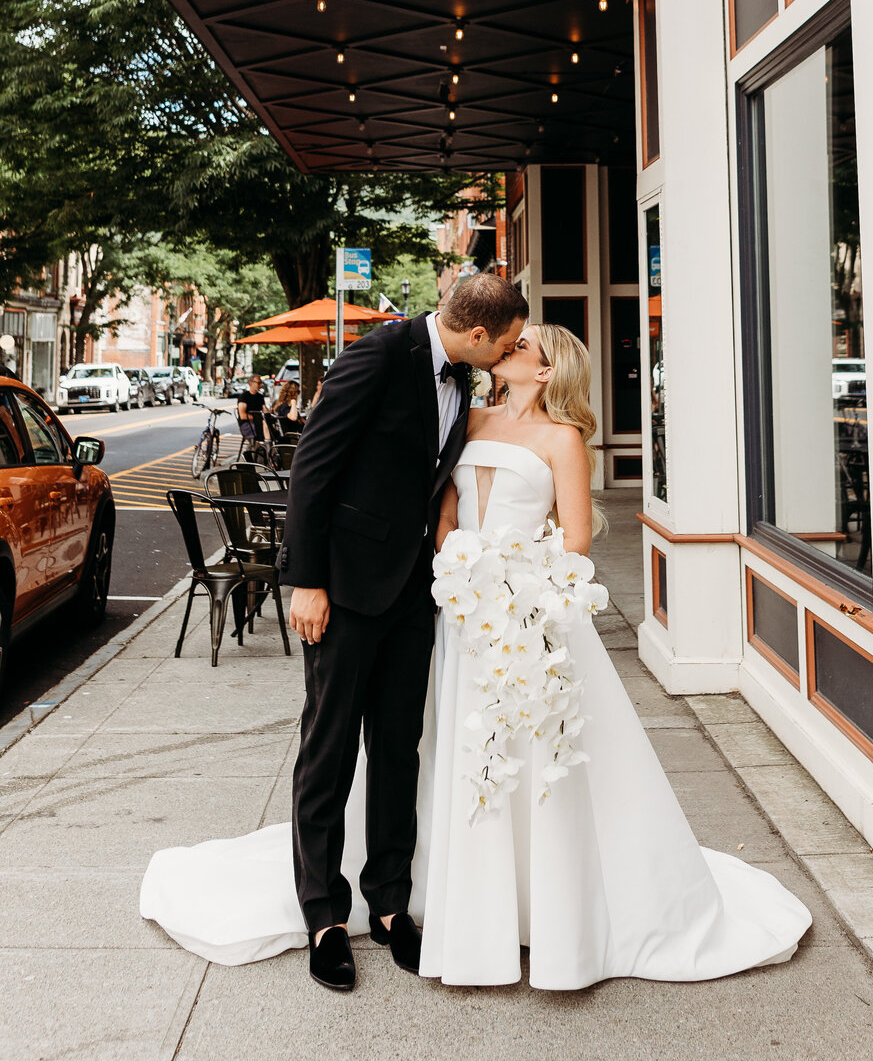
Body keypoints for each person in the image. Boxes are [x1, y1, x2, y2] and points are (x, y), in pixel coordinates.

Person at [139, 314, 811, 990]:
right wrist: (449, 561)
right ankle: (334, 914)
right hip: (456, 612)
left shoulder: (563, 437)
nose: (506, 349)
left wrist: (512, 582)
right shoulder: (473, 416)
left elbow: (575, 538)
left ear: (546, 371)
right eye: (508, 339)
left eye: (521, 346)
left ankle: (479, 900)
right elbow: (440, 503)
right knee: (406, 749)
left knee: (466, 752)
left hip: (520, 612)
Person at [236, 374, 266, 444]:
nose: (260, 385)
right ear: (250, 383)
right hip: (247, 424)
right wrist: (258, 418)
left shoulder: (260, 396)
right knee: (259, 428)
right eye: (258, 383)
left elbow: (265, 410)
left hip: (258, 422)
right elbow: (242, 416)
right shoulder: (244, 396)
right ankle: (254, 450)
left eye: (261, 383)